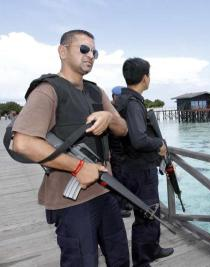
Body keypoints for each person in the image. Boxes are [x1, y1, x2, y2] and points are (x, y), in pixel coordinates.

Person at [12, 29, 130, 267]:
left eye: (94, 52)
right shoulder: (48, 90)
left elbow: (124, 129)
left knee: (119, 258)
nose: (90, 55)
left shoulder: (96, 91)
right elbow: (22, 142)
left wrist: (109, 116)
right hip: (71, 203)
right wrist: (78, 166)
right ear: (62, 51)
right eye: (84, 49)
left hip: (106, 191)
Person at [116, 57, 174, 267]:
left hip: (130, 167)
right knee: (147, 214)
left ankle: (153, 248)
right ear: (144, 77)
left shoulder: (123, 99)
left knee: (151, 211)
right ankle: (142, 261)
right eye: (149, 74)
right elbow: (139, 139)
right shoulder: (133, 103)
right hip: (139, 169)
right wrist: (159, 142)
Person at [109, 85, 132, 218]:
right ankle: (118, 206)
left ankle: (125, 202)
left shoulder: (124, 108)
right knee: (117, 178)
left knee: (125, 177)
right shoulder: (110, 109)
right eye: (119, 97)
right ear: (114, 97)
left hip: (124, 150)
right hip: (115, 150)